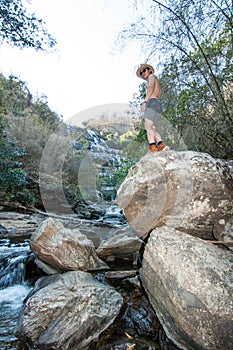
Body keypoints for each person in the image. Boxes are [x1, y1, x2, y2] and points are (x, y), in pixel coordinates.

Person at [136, 63, 169, 152]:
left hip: (152, 102)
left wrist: (145, 102)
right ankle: (161, 144)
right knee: (152, 127)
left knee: (148, 125)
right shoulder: (152, 79)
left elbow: (151, 88)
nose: (143, 73)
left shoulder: (152, 77)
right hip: (157, 104)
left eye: (144, 70)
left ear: (149, 70)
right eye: (141, 73)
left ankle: (152, 146)